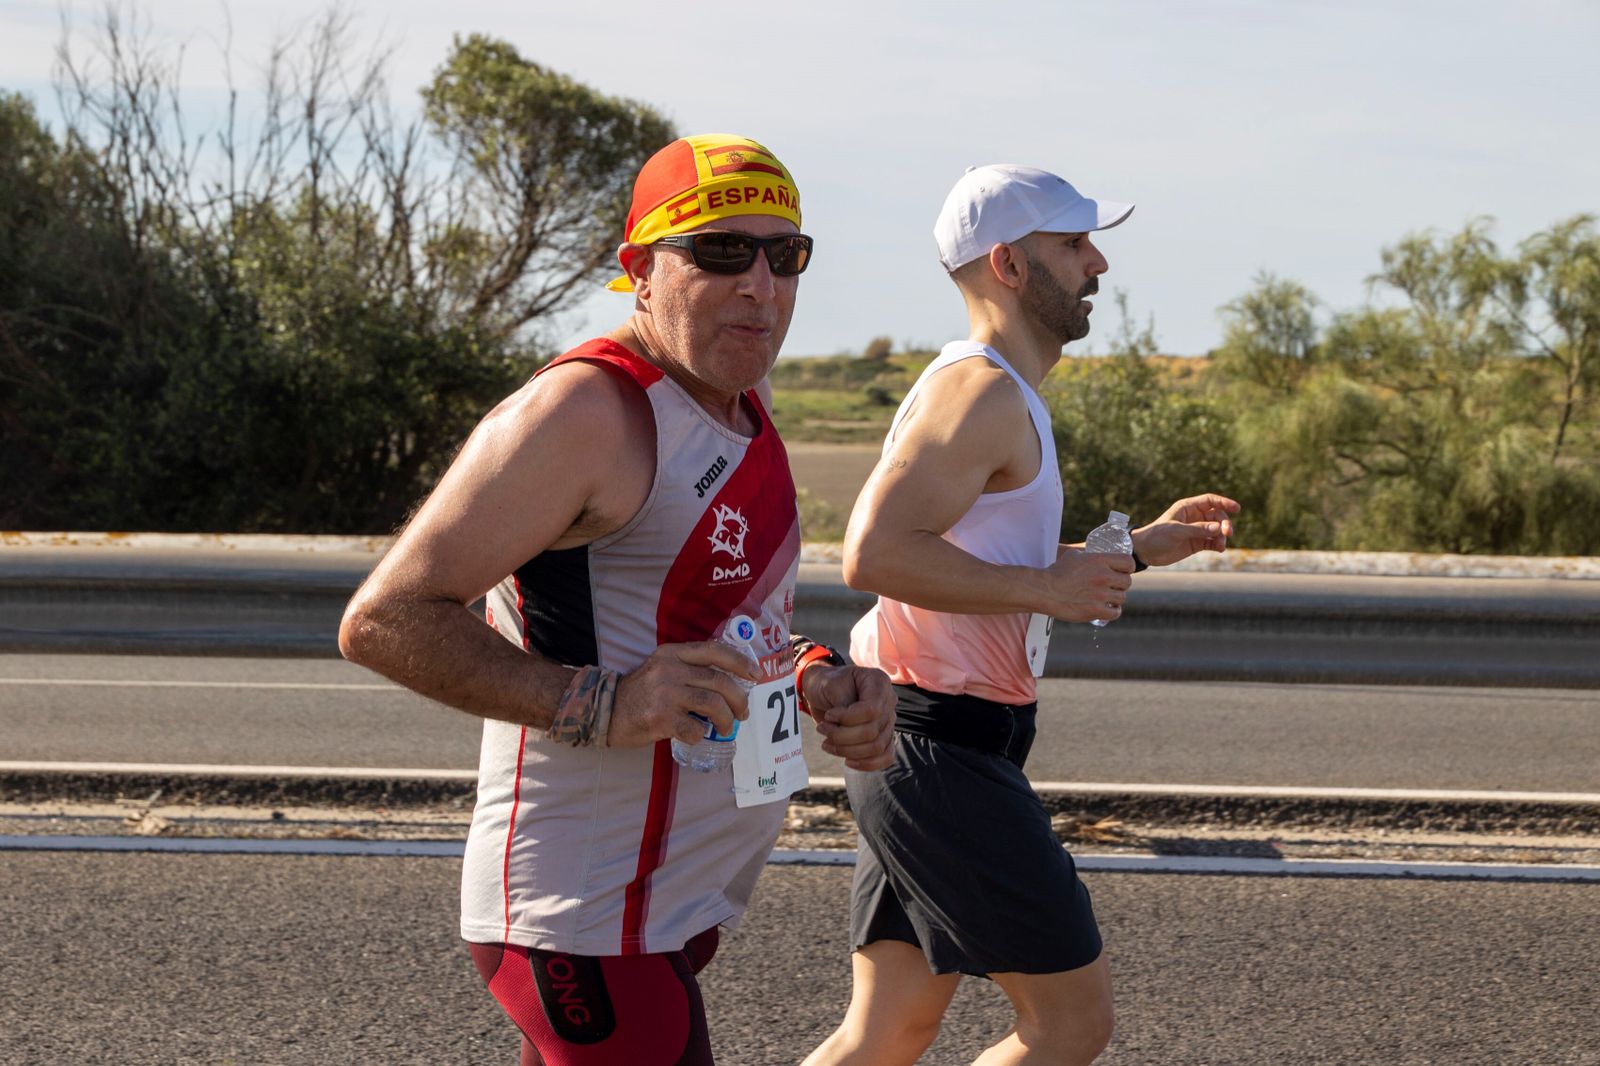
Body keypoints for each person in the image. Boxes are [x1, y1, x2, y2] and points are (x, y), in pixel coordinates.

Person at [338, 133, 896, 1066]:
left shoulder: (739, 408)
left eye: (784, 254)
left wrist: (818, 674)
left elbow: (725, 628)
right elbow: (385, 619)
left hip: (671, 900)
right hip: (585, 913)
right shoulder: (587, 411)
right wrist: (601, 702)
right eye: (721, 251)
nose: (760, 284)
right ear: (640, 270)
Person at [804, 165, 1240, 1066]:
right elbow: (874, 554)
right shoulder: (983, 395)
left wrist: (1136, 547)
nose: (1099, 264)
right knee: (1071, 1026)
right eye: (1073, 244)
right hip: (941, 754)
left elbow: (995, 558)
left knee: (888, 1032)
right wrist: (1049, 591)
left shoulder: (1000, 390)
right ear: (1007, 263)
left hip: (925, 746)